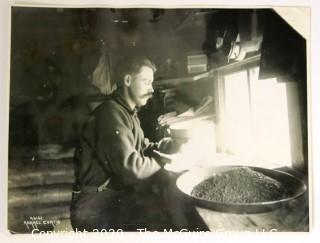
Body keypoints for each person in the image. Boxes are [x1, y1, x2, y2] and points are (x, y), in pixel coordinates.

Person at [70, 55, 173, 232]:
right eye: (146, 82)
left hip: (109, 200)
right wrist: (166, 160)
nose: (152, 90)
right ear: (127, 80)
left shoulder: (128, 112)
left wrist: (164, 146)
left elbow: (141, 147)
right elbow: (132, 170)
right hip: (94, 209)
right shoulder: (110, 113)